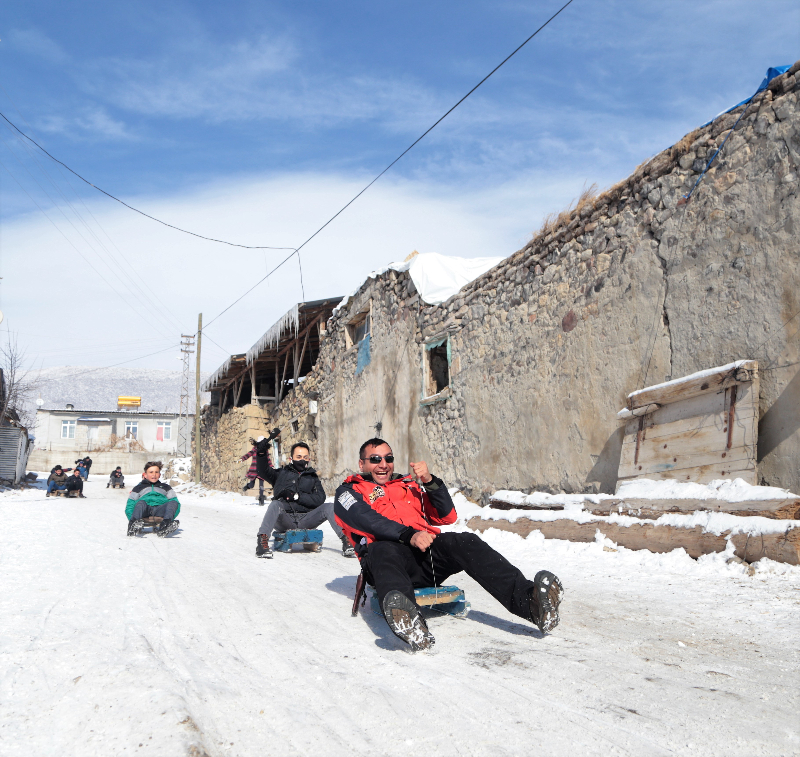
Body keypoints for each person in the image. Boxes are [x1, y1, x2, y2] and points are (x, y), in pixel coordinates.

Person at [334, 438, 564, 651]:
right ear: (362, 464)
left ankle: (532, 605)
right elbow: (365, 519)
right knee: (382, 547)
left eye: (388, 458)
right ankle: (409, 622)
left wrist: (430, 482)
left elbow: (447, 516)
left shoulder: (407, 485)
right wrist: (408, 534)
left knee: (464, 541)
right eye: (375, 459)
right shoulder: (348, 491)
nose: (383, 464)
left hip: (425, 560)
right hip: (387, 565)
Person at [255, 442, 355, 559]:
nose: (302, 460)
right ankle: (262, 543)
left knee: (329, 506)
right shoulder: (280, 474)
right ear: (291, 458)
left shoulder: (312, 477)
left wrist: (297, 496)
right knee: (275, 504)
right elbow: (262, 471)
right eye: (299, 457)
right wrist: (261, 453)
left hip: (306, 519)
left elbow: (320, 498)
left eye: (305, 457)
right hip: (285, 519)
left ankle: (347, 541)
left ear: (309, 459)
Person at [125, 461, 181, 537]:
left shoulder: (166, 487)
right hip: (145, 510)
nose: (154, 475)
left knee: (173, 502)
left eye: (156, 472)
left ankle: (165, 526)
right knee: (141, 503)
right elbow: (130, 505)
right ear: (145, 474)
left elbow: (176, 504)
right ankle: (133, 526)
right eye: (151, 472)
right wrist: (131, 518)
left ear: (160, 475)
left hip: (160, 510)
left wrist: (170, 517)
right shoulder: (138, 488)